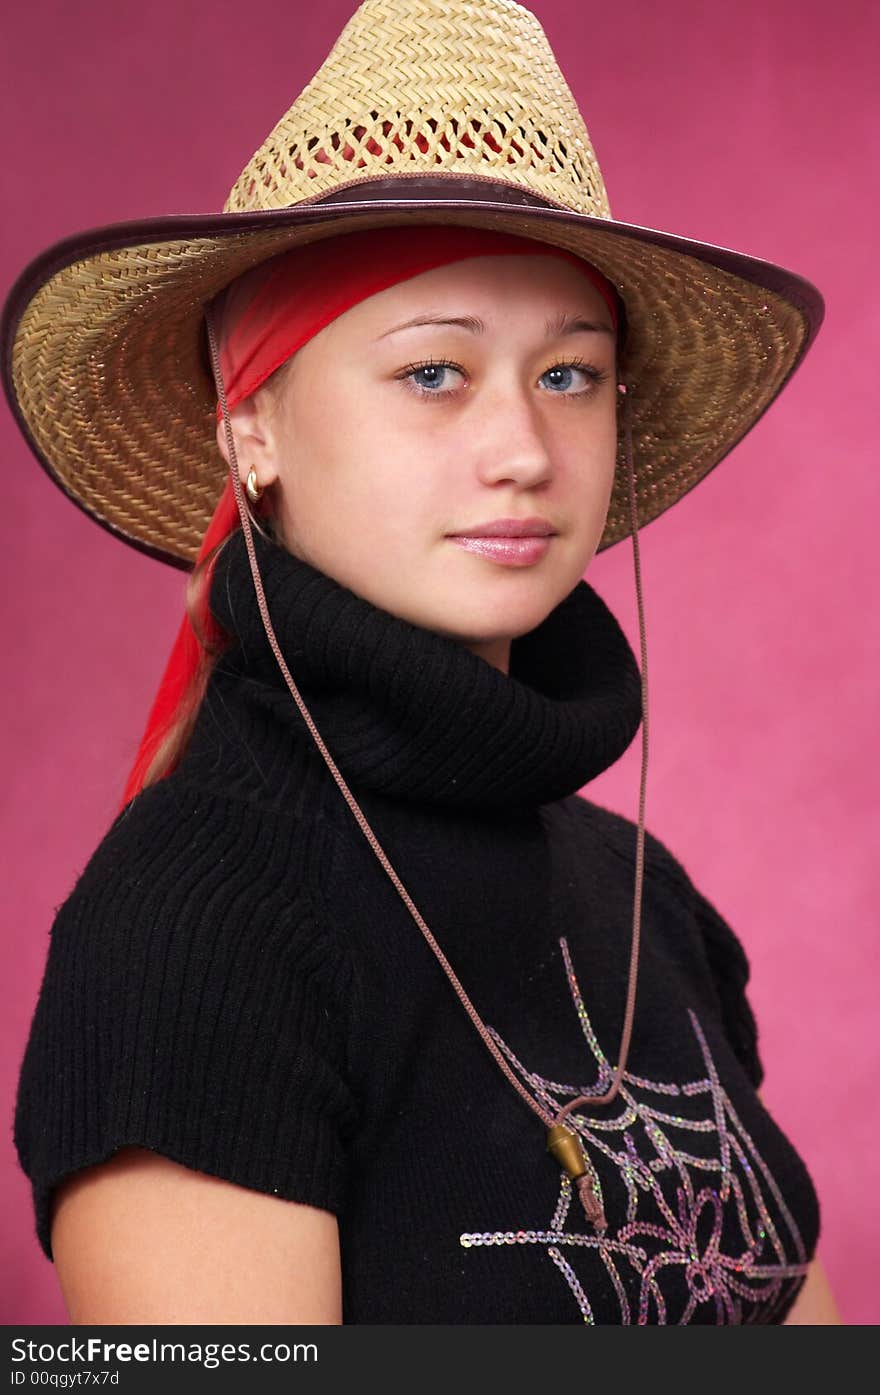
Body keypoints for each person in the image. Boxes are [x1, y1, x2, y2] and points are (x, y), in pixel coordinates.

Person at [3, 0, 841, 1325]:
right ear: (254, 430)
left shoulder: (644, 899)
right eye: (436, 373)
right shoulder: (192, 928)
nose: (520, 447)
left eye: (571, 376)